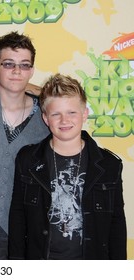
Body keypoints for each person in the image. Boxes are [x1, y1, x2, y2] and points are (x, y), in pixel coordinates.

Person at [8, 73, 127, 260]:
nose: (64, 121)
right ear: (46, 118)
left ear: (85, 114)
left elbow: (117, 224)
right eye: (56, 114)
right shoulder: (27, 160)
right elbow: (18, 217)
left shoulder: (109, 165)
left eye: (72, 112)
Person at [0, 31, 50, 260]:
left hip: (31, 227)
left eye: (24, 65)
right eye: (9, 64)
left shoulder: (48, 115)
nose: (17, 71)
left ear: (32, 71)